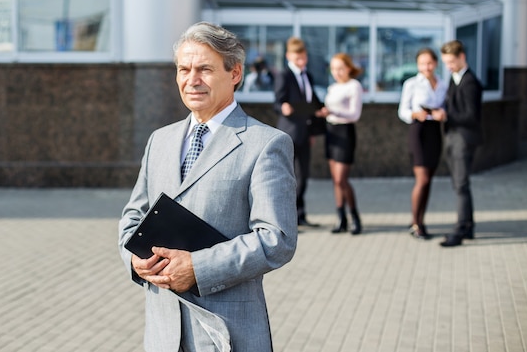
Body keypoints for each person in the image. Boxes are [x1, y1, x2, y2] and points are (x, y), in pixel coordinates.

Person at [118, 21, 298, 351]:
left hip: (227, 332)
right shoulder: (160, 140)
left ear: (235, 74)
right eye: (183, 69)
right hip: (162, 333)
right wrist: (133, 259)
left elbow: (278, 239)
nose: (191, 80)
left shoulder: (266, 143)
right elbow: (133, 217)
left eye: (204, 69)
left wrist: (198, 268)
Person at [274, 36, 326, 227]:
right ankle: (288, 219)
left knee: (303, 176)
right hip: (289, 132)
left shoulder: (308, 76)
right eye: (297, 57)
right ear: (289, 56)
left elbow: (311, 102)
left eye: (303, 56)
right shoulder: (284, 75)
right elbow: (277, 102)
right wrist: (283, 107)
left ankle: (300, 215)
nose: (301, 60)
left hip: (305, 132)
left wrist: (321, 109)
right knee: (289, 177)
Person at [436, 39, 483, 247]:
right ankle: (468, 227)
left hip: (463, 138)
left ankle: (460, 229)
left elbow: (471, 116)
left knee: (461, 185)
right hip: (454, 137)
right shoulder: (455, 78)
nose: (448, 66)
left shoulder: (470, 82)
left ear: (462, 57)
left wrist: (446, 116)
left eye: (451, 62)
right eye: (445, 62)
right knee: (459, 185)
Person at [398, 48, 448, 239]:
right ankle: (416, 224)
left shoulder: (442, 84)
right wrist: (414, 114)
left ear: (435, 63)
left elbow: (445, 106)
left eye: (429, 63)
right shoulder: (411, 84)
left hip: (435, 131)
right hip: (418, 130)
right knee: (423, 179)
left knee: (429, 181)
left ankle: (420, 220)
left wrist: (441, 113)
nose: (426, 67)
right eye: (422, 64)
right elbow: (402, 111)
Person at [324, 53, 364, 235]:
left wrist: (333, 111)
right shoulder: (332, 87)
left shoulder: (354, 86)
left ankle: (355, 216)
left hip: (345, 132)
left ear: (349, 68)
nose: (337, 72)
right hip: (331, 132)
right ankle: (341, 218)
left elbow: (355, 114)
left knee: (342, 179)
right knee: (335, 180)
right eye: (333, 69)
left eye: (340, 68)